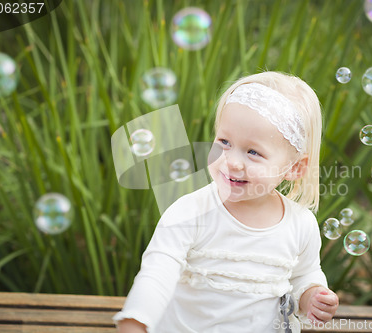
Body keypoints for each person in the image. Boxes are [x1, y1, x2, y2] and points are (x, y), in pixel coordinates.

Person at [114, 71, 339, 333]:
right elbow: (157, 274)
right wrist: (136, 321)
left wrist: (311, 295)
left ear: (294, 168)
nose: (231, 161)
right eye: (224, 142)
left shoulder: (300, 223)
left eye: (253, 152)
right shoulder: (190, 212)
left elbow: (304, 274)